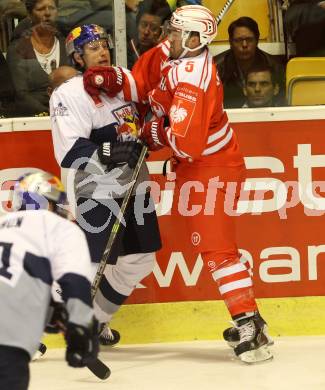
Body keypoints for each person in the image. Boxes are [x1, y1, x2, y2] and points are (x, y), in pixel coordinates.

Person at [83, 5, 274, 364]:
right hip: (196, 169)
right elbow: (145, 82)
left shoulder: (193, 80)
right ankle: (249, 320)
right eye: (171, 29)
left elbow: (188, 142)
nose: (166, 36)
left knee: (217, 250)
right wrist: (116, 80)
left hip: (212, 169)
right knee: (215, 249)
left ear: (194, 38)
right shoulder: (176, 52)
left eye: (175, 31)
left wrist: (154, 131)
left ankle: (250, 324)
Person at [50, 24, 161, 346]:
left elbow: (148, 114)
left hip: (135, 184)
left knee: (141, 259)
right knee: (89, 263)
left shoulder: (122, 82)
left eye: (103, 44)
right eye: (92, 47)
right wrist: (110, 150)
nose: (101, 51)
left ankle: (96, 321)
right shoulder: (69, 92)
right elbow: (70, 150)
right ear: (78, 56)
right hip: (95, 186)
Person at [0, 171, 98, 390]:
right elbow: (75, 283)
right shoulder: (60, 228)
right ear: (51, 203)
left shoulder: (3, 225)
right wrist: (81, 329)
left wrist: (51, 315)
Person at [6, 0, 69, 116]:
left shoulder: (68, 45)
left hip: (71, 115)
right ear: (30, 15)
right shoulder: (18, 49)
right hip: (33, 120)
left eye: (52, 8)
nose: (47, 13)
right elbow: (21, 94)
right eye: (40, 9)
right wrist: (51, 114)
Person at [214, 16, 285, 108]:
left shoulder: (274, 66)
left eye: (249, 40)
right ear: (230, 42)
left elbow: (282, 102)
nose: (244, 45)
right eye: (238, 40)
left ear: (257, 40)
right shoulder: (215, 68)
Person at [128, 2, 171, 69]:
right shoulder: (126, 49)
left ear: (163, 30)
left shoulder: (169, 54)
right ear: (137, 23)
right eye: (144, 25)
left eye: (153, 28)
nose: (146, 32)